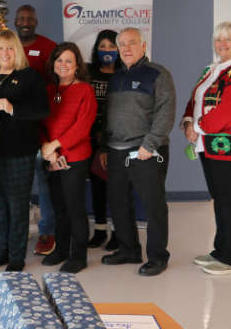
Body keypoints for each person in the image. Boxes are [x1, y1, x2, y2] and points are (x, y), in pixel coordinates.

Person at [98, 27, 176, 277]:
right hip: (116, 151)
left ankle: (158, 257)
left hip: (145, 151)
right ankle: (129, 250)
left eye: (132, 43)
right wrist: (103, 147)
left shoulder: (158, 74)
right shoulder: (115, 77)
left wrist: (150, 144)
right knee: (119, 203)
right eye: (122, 44)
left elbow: (166, 111)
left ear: (143, 46)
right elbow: (107, 116)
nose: (126, 48)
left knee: (153, 205)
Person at [181, 22, 231, 275]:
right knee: (220, 198)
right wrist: (189, 123)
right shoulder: (211, 69)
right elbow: (194, 100)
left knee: (230, 199)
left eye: (228, 39)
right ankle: (221, 251)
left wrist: (200, 125)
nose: (222, 44)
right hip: (208, 144)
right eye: (218, 39)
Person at [0, 29, 49, 272]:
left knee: (17, 205)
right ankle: (1, 252)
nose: (5, 53)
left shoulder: (30, 77)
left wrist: (13, 108)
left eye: (9, 48)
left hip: (19, 152)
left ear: (17, 50)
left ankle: (17, 256)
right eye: (0, 48)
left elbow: (42, 110)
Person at [38, 42, 98, 274]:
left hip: (75, 157)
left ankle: (79, 255)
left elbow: (82, 128)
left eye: (69, 61)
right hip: (51, 158)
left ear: (77, 66)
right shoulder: (49, 90)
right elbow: (40, 123)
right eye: (59, 60)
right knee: (59, 206)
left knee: (74, 206)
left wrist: (55, 145)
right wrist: (47, 147)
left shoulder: (85, 90)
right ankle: (61, 249)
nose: (63, 65)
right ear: (53, 64)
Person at [14, 4, 58, 256]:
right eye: (21, 19)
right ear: (15, 22)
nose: (25, 22)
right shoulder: (9, 45)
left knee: (44, 181)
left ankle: (47, 231)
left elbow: (55, 85)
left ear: (36, 22)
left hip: (41, 124)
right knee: (16, 183)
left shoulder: (49, 46)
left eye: (30, 18)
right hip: (14, 126)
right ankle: (15, 232)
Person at [86, 30, 122, 251]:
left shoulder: (124, 73)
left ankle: (118, 233)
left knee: (116, 187)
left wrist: (107, 135)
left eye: (112, 46)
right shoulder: (87, 72)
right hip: (91, 138)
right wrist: (95, 132)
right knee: (97, 186)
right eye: (103, 46)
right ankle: (100, 231)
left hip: (116, 139)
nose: (107, 50)